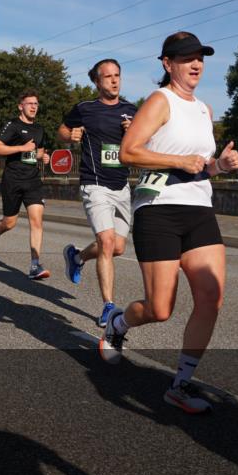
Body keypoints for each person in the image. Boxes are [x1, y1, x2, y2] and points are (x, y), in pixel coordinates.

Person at [101, 32, 238, 414]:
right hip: (159, 209)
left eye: (199, 57)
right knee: (160, 309)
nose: (195, 64)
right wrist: (179, 162)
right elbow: (129, 151)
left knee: (211, 298)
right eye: (186, 58)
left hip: (198, 209)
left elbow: (201, 164)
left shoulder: (204, 110)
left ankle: (180, 385)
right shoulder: (160, 101)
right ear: (167, 64)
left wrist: (219, 166)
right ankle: (117, 324)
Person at [59, 59, 138, 327]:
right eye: (108, 77)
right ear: (97, 82)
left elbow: (144, 143)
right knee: (106, 242)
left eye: (117, 75)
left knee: (117, 247)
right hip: (94, 183)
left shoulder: (131, 110)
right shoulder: (85, 109)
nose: (114, 81)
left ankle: (77, 257)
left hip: (122, 185)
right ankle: (109, 306)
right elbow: (62, 129)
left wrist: (134, 133)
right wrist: (70, 137)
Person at [0, 90, 51, 280]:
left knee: (37, 221)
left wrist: (43, 156)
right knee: (9, 222)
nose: (33, 107)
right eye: (29, 103)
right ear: (20, 106)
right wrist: (21, 148)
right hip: (13, 179)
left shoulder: (39, 129)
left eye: (36, 104)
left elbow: (37, 152)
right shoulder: (13, 125)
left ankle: (34, 265)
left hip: (33, 180)